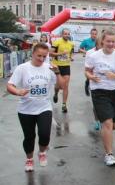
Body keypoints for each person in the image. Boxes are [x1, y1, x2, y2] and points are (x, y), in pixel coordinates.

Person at [7, 43, 58, 172]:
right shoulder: (22, 68)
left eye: (44, 56)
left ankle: (42, 153)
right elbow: (10, 85)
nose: (41, 59)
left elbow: (60, 85)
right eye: (38, 56)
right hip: (26, 109)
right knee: (29, 137)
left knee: (44, 134)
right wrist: (18, 92)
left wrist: (57, 73)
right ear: (32, 54)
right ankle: (29, 159)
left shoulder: (49, 68)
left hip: (44, 107)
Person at [85, 30, 115, 166]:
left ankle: (104, 124)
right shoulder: (93, 56)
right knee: (107, 123)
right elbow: (87, 71)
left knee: (114, 125)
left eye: (113, 41)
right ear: (102, 41)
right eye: (108, 41)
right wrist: (91, 77)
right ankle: (109, 154)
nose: (111, 44)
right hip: (99, 91)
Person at [51, 29, 74, 113]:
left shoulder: (71, 44)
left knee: (65, 85)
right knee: (58, 85)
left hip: (66, 65)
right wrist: (60, 54)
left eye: (68, 34)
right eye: (65, 34)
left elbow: (70, 53)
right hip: (57, 65)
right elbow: (50, 53)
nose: (66, 35)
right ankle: (56, 93)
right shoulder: (57, 42)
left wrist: (70, 57)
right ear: (62, 34)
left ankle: (64, 104)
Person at [80, 28, 98, 96]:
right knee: (89, 75)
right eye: (93, 34)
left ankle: (94, 89)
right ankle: (86, 85)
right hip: (88, 60)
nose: (94, 35)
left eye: (95, 34)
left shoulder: (98, 41)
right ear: (90, 34)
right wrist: (86, 52)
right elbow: (80, 48)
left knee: (95, 74)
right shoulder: (86, 41)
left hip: (96, 60)